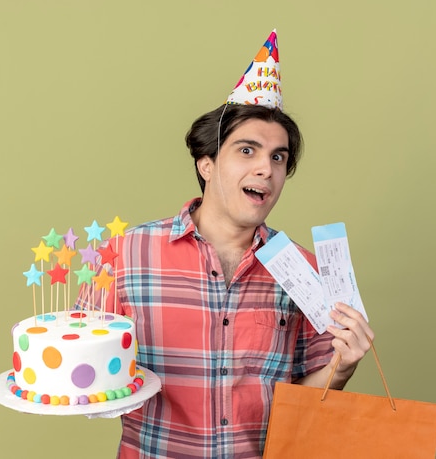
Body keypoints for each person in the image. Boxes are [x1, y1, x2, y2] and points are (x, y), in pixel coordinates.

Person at [76, 30, 374, 458]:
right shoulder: (125, 256)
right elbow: (80, 370)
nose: (266, 169)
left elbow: (308, 413)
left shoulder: (304, 272)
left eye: (278, 157)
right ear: (208, 164)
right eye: (247, 150)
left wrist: (341, 368)